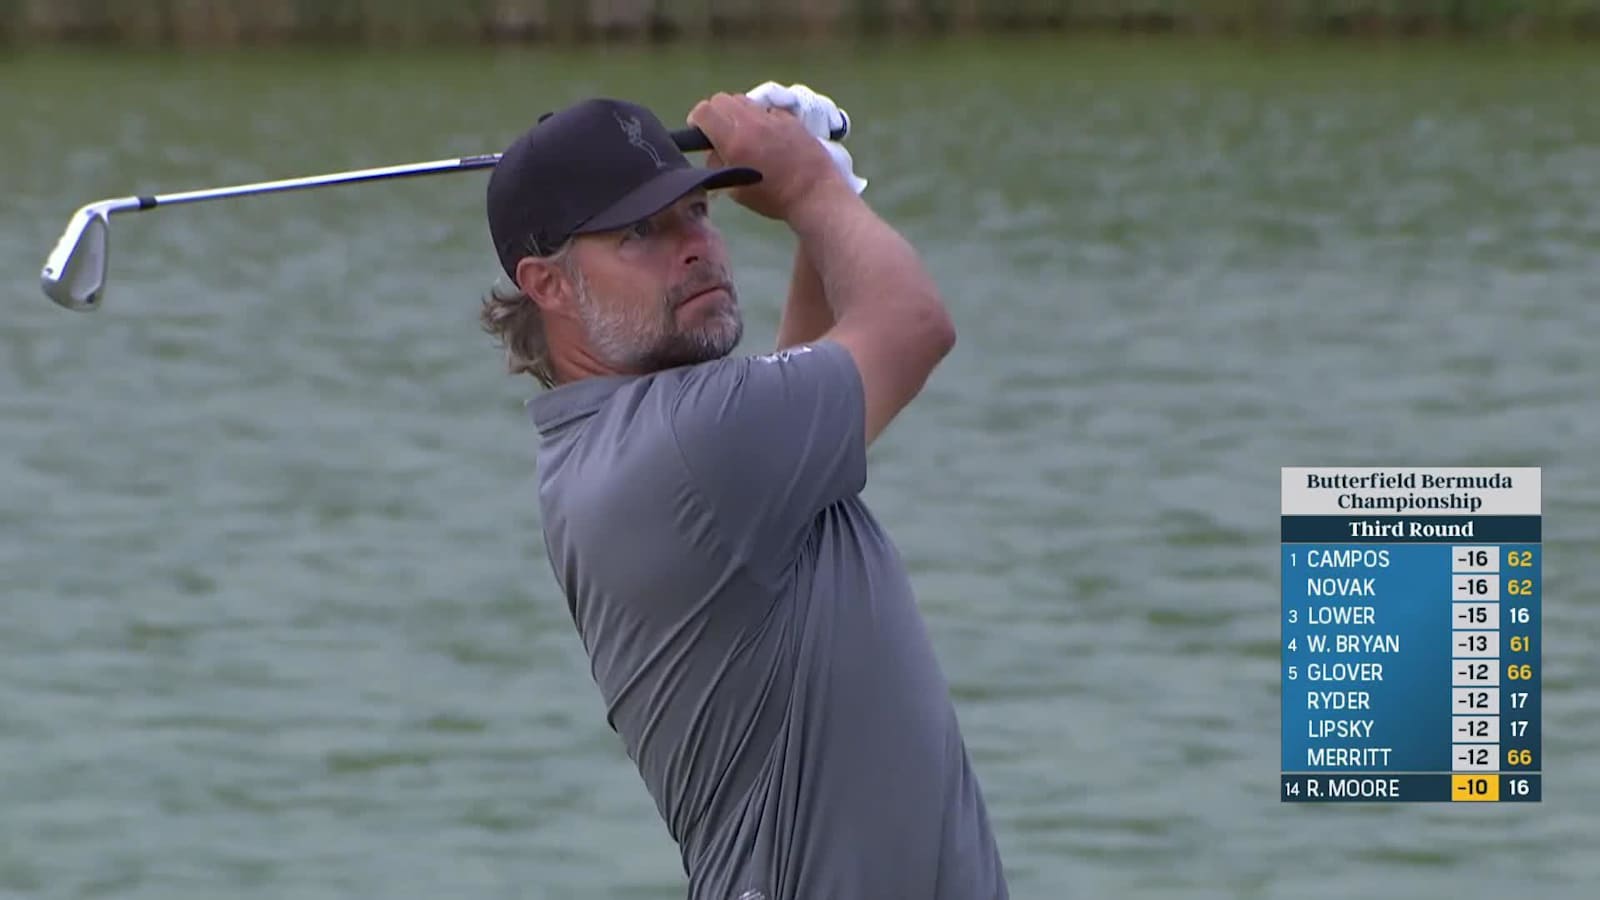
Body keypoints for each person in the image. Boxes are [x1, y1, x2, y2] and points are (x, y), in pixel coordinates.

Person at [479, 90, 1008, 900]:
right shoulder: (688, 445)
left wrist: (824, 183)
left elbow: (801, 381)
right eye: (639, 233)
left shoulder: (641, 442)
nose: (693, 247)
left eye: (696, 211)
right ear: (546, 284)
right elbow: (912, 324)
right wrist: (808, 188)